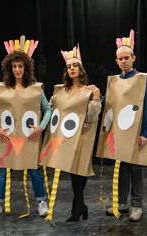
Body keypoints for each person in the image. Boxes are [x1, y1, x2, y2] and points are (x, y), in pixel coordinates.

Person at [0, 36, 51, 218]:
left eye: (20, 66)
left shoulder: (35, 88)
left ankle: (41, 202)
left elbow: (48, 110)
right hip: (8, 137)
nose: (17, 70)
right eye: (14, 66)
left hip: (29, 136)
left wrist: (41, 126)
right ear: (10, 67)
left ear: (26, 67)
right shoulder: (3, 88)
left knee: (33, 169)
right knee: (4, 170)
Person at [39, 44, 101, 222]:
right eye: (68, 66)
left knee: (80, 171)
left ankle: (79, 206)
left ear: (81, 70)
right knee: (73, 171)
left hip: (83, 135)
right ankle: (79, 207)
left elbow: (91, 117)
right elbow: (51, 109)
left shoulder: (89, 90)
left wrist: (96, 98)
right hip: (65, 136)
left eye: (75, 66)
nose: (72, 69)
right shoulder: (61, 91)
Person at [99, 30, 147, 222]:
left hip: (136, 133)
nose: (123, 61)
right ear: (116, 61)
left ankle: (136, 205)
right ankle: (122, 203)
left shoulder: (141, 79)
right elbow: (111, 104)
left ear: (133, 58)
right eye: (120, 58)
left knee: (135, 169)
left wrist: (146, 131)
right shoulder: (115, 81)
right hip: (119, 134)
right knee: (120, 167)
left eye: (126, 57)